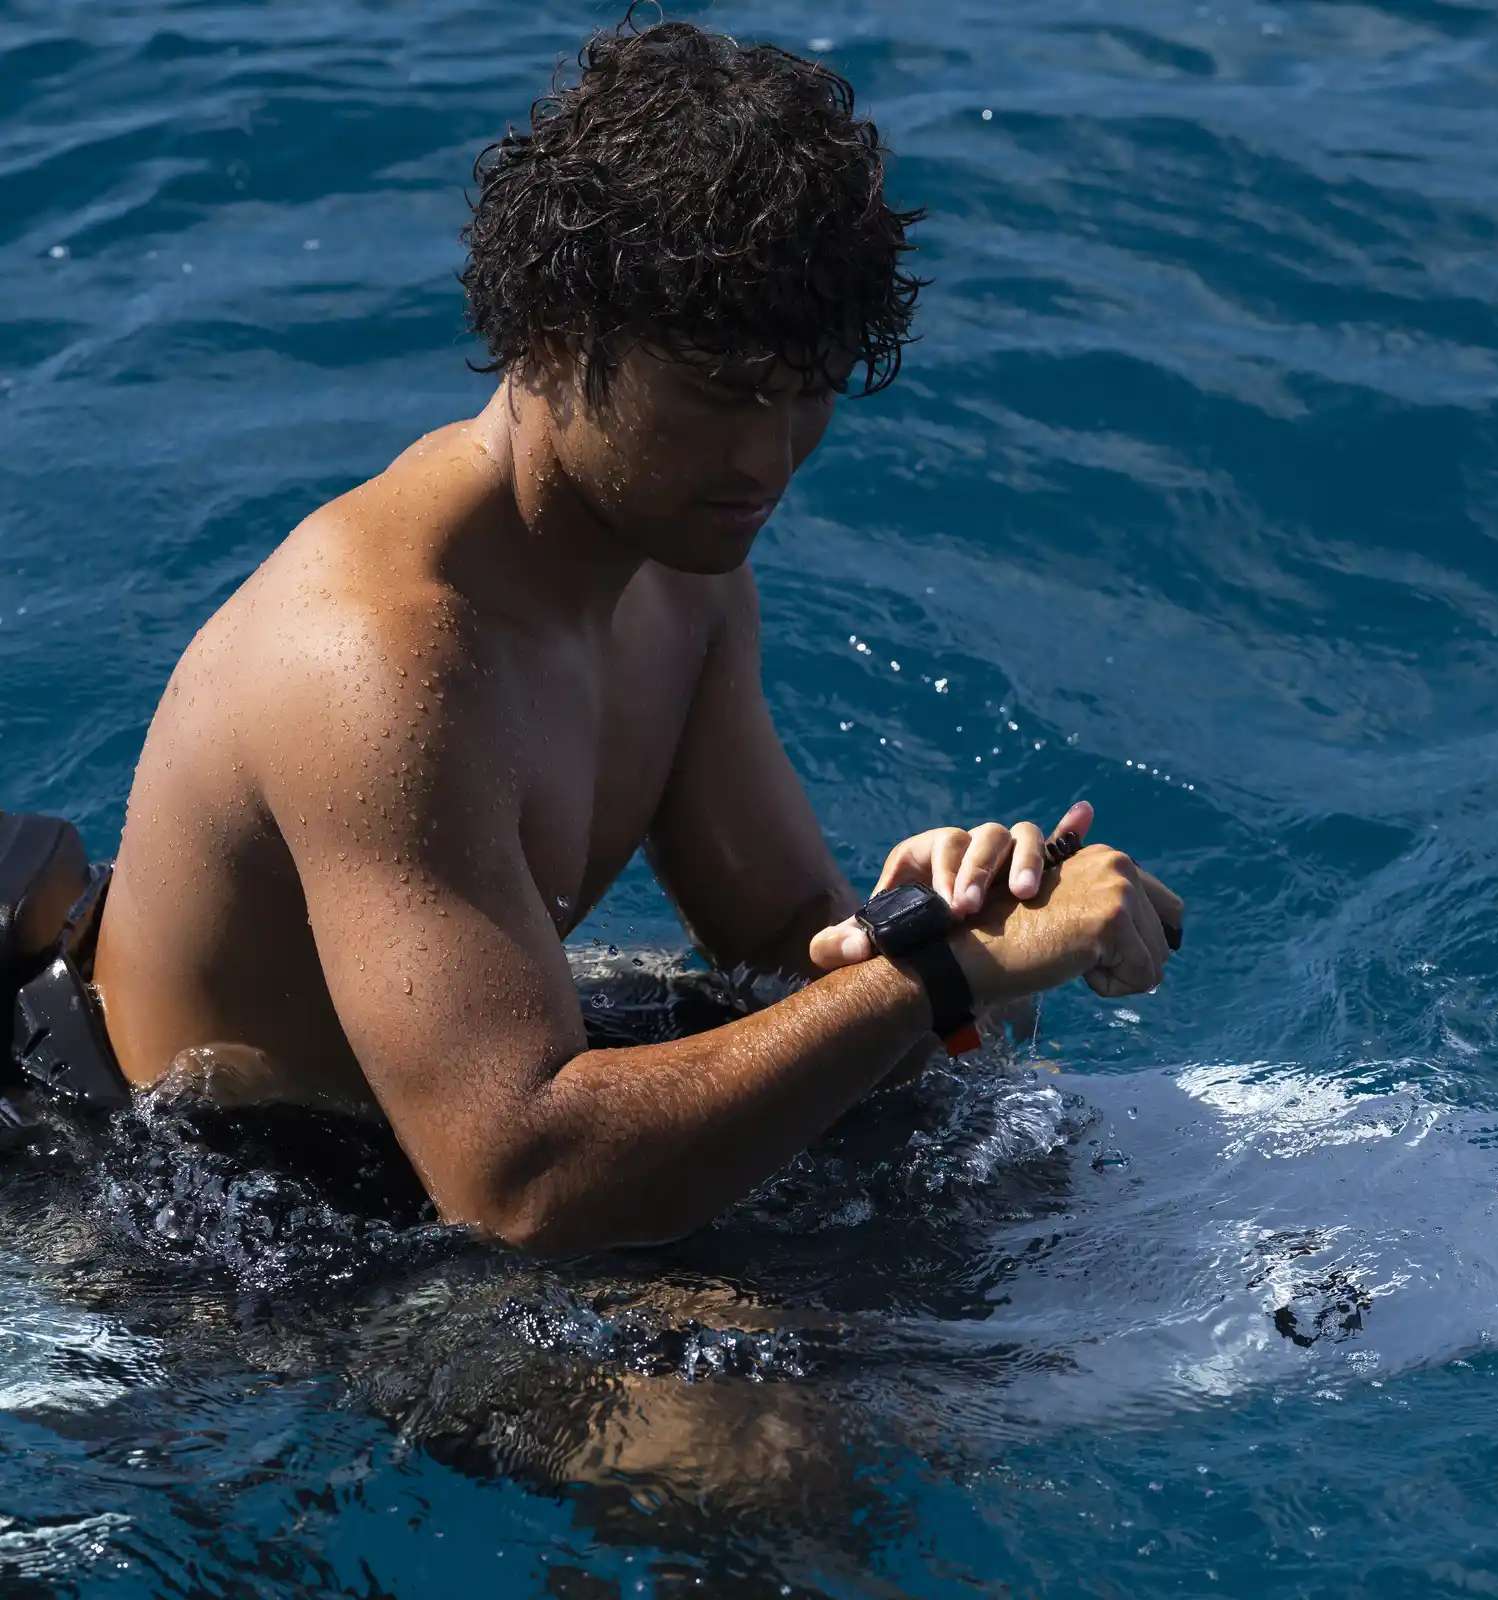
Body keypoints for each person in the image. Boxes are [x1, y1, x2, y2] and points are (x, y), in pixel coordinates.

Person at [90, 15, 1183, 1255]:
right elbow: (518, 1186)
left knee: (1001, 1176)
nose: (767, 461)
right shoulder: (376, 666)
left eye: (808, 391)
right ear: (558, 341)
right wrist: (934, 975)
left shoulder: (680, 572)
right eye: (721, 395)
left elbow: (783, 948)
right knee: (807, 1389)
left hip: (459, 1118)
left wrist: (942, 915)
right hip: (226, 1218)